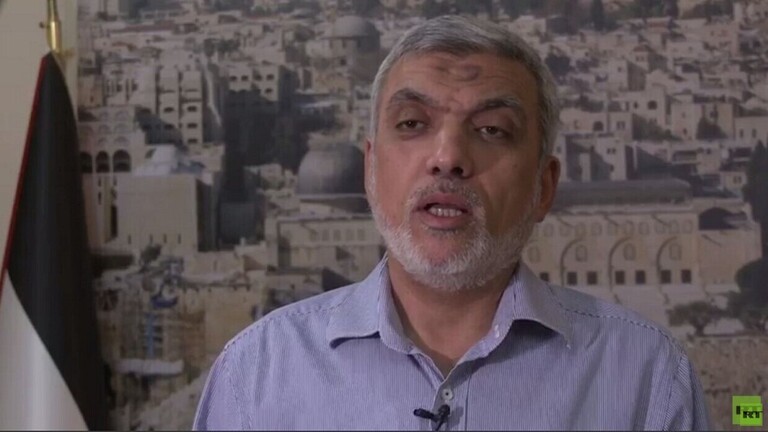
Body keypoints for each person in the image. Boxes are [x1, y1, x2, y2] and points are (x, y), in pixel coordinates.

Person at [193, 15, 711, 430]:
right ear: (370, 170)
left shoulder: (646, 376)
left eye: (491, 130)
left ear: (543, 187)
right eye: (412, 123)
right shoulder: (258, 373)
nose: (448, 157)